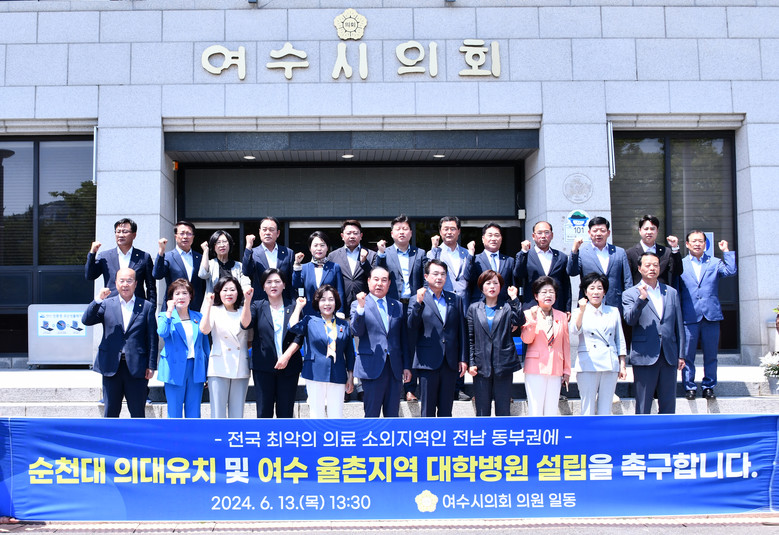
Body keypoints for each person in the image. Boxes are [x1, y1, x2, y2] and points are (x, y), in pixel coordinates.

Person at [81, 267, 157, 418]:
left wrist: (151, 365)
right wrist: (98, 299)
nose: (125, 284)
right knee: (110, 412)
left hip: (137, 367)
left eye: (129, 281)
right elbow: (86, 320)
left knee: (138, 413)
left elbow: (152, 338)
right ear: (116, 283)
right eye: (121, 281)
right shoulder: (106, 304)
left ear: (136, 284)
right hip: (111, 366)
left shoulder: (146, 306)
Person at [623, 252, 685, 414]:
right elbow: (630, 320)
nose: (652, 268)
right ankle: (643, 431)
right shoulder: (630, 293)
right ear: (639, 268)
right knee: (643, 405)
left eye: (655, 265)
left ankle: (667, 431)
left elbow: (678, 325)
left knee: (668, 404)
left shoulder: (671, 292)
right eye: (648, 265)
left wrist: (681, 354)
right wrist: (641, 300)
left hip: (668, 354)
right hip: (645, 355)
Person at [679, 231, 737, 400]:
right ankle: (689, 387)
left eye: (700, 241)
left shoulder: (714, 262)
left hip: (711, 316)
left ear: (705, 244)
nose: (697, 244)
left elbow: (731, 271)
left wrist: (726, 251)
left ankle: (709, 387)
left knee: (711, 355)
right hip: (689, 315)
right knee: (687, 355)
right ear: (687, 244)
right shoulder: (681, 264)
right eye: (694, 241)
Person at [376, 214, 427, 401]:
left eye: (405, 229)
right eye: (398, 229)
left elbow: (426, 278)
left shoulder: (420, 253)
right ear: (392, 233)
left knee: (412, 345)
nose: (402, 232)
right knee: (394, 344)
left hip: (414, 305)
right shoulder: (385, 253)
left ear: (411, 233)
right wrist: (380, 255)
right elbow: (377, 273)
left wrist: (422, 297)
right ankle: (395, 386)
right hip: (392, 306)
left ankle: (410, 388)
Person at [407, 260, 467, 417]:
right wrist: (418, 303)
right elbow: (411, 326)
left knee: (446, 410)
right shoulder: (417, 299)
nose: (439, 277)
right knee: (427, 409)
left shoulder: (456, 299)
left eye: (442, 274)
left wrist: (463, 358)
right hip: (427, 362)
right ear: (426, 276)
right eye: (435, 274)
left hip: (450, 361)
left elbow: (461, 331)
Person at [350, 267, 411, 417]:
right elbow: (356, 331)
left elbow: (403, 339)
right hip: (371, 367)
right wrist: (361, 308)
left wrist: (406, 366)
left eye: (384, 280)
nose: (379, 283)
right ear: (368, 281)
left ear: (389, 284)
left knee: (392, 416)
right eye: (376, 279)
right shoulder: (358, 304)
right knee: (371, 415)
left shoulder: (397, 306)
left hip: (394, 368)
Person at [427, 215, 476, 401]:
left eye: (453, 228)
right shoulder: (434, 252)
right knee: (444, 342)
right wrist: (434, 249)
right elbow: (430, 273)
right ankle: (442, 385)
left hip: (463, 304)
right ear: (440, 232)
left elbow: (470, 277)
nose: (449, 232)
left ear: (459, 231)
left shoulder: (466, 253)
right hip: (443, 304)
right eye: (445, 229)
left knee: (460, 344)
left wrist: (471, 255)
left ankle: (459, 386)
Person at [289, 285, 355, 418]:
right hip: (315, 373)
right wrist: (298, 307)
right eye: (323, 300)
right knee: (316, 415)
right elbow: (292, 326)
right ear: (317, 302)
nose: (327, 303)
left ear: (336, 302)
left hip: (337, 373)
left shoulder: (344, 325)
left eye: (331, 299)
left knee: (336, 415)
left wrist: (351, 376)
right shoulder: (310, 321)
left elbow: (349, 353)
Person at [245, 268, 302, 418]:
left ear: (284, 284)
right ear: (263, 286)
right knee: (264, 412)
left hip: (289, 366)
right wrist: (247, 302)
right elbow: (245, 324)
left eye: (277, 281)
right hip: (263, 367)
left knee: (286, 412)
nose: (273, 285)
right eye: (269, 282)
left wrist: (286, 356)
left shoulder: (293, 306)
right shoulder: (257, 306)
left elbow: (299, 336)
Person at [466, 270, 523, 416]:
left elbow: (519, 320)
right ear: (481, 287)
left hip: (503, 364)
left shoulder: (507, 307)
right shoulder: (474, 308)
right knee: (482, 411)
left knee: (503, 410)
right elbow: (470, 338)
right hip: (481, 365)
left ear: (500, 287)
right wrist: (471, 362)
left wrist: (514, 298)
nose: (492, 286)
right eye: (488, 283)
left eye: (495, 283)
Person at [569, 273, 627, 415]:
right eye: (592, 288)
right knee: (587, 407)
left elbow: (619, 338)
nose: (596, 292)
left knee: (606, 407)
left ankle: (604, 430)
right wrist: (582, 311)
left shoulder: (613, 311)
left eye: (599, 288)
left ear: (604, 291)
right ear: (585, 292)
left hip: (609, 362)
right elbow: (574, 331)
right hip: (588, 362)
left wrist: (622, 364)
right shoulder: (578, 311)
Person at [156, 278, 210, 418]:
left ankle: (193, 433)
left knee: (194, 411)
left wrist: (208, 371)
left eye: (185, 293)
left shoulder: (198, 316)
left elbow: (205, 345)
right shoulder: (165, 316)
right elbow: (162, 332)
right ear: (171, 298)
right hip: (174, 367)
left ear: (190, 296)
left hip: (195, 367)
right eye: (177, 293)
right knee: (174, 410)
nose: (181, 297)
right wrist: (169, 311)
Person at [200, 276, 252, 418]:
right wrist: (208, 306)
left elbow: (246, 325)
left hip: (240, 366)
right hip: (219, 366)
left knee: (237, 414)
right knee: (217, 414)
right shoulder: (214, 310)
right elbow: (204, 330)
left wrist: (247, 301)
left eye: (232, 290)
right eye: (225, 290)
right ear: (218, 292)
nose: (229, 293)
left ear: (238, 292)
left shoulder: (244, 310)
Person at [521, 276, 571, 416]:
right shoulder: (528, 314)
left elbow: (566, 345)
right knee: (535, 410)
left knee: (551, 410)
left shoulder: (562, 316)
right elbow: (526, 339)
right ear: (536, 296)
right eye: (544, 292)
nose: (548, 295)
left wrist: (567, 370)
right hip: (535, 368)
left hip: (555, 367)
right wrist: (533, 320)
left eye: (551, 292)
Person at [85, 217, 156, 308]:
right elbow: (90, 276)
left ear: (134, 235)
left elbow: (151, 287)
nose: (121, 235)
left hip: (137, 308)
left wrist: (151, 309)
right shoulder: (105, 256)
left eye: (125, 232)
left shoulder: (144, 257)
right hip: (111, 307)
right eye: (118, 232)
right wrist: (92, 253)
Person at [567, 216, 632, 311]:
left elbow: (627, 280)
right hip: (589, 303)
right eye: (595, 231)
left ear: (608, 233)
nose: (598, 234)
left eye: (602, 230)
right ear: (589, 233)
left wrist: (629, 304)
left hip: (615, 303)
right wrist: (574, 250)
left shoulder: (619, 252)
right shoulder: (582, 253)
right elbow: (571, 272)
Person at [514, 221, 571, 314]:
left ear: (552, 235)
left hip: (557, 307)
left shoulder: (561, 257)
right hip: (532, 308)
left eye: (547, 232)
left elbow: (566, 285)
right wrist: (523, 252)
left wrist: (567, 308)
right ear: (533, 236)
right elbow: (518, 274)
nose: (543, 236)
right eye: (539, 233)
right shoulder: (525, 255)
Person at [327, 219, 377, 315]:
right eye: (349, 233)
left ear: (361, 236)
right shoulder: (333, 256)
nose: (352, 236)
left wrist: (364, 262)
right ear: (342, 236)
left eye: (355, 233)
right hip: (341, 305)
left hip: (365, 304)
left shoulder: (371, 255)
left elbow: (374, 278)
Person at [153, 221, 206, 310]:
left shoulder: (200, 258)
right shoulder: (168, 257)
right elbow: (157, 275)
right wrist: (161, 251)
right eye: (182, 233)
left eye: (189, 233)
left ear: (193, 237)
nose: (185, 237)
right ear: (176, 236)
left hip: (196, 308)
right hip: (173, 308)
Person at [292, 231, 345, 316]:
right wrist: (297, 265)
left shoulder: (335, 267)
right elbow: (296, 285)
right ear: (310, 248)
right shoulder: (304, 268)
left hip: (329, 313)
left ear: (327, 247)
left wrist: (340, 311)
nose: (319, 248)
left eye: (322, 245)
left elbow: (340, 292)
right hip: (309, 314)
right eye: (315, 245)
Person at [242, 217, 294, 302]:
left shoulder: (288, 253)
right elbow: (246, 272)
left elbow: (291, 281)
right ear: (260, 232)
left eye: (271, 230)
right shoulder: (253, 253)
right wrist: (248, 247)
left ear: (278, 233)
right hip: (260, 302)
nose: (267, 233)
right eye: (264, 229)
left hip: (283, 302)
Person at [198, 230, 251, 309]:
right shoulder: (210, 264)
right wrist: (205, 251)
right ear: (213, 246)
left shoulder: (239, 266)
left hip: (234, 308)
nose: (222, 245)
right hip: (213, 308)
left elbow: (246, 284)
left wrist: (247, 290)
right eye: (218, 242)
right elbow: (203, 275)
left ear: (230, 244)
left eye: (225, 242)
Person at [626, 214, 683, 287]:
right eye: (646, 229)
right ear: (640, 230)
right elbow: (627, 278)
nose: (649, 232)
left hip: (661, 292)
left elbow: (677, 271)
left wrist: (674, 248)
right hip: (640, 292)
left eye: (652, 229)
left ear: (657, 231)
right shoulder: (630, 253)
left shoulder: (666, 252)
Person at [469, 222, 515, 304]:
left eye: (496, 235)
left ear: (501, 239)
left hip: (504, 306)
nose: (493, 239)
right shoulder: (475, 260)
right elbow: (469, 280)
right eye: (490, 235)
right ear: (483, 239)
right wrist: (470, 254)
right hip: (481, 305)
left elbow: (513, 285)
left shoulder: (509, 261)